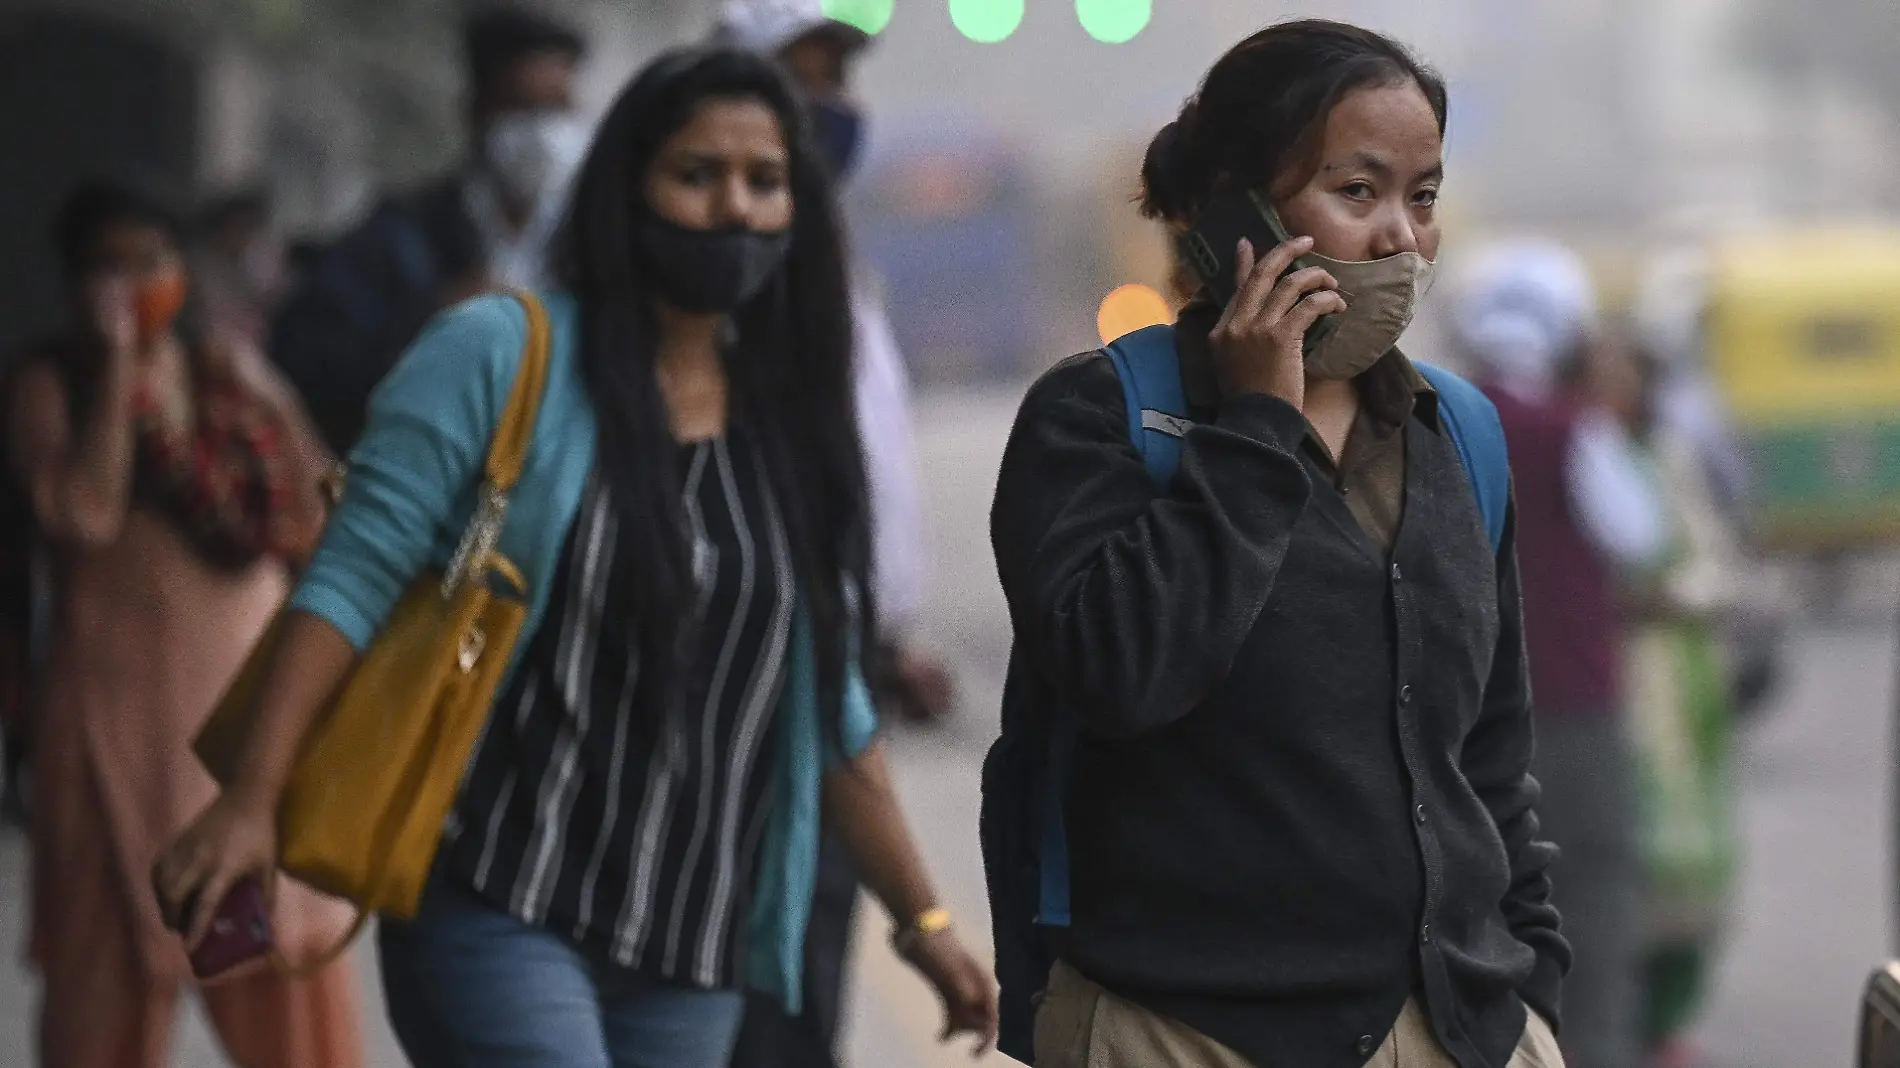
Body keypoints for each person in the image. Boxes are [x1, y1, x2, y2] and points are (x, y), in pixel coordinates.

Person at [154, 47, 998, 1068]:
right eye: (697, 175)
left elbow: (827, 708)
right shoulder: (499, 355)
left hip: (694, 947)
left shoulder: (794, 420)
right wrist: (250, 797)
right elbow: (354, 572)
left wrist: (928, 927)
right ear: (625, 190)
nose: (734, 208)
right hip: (500, 899)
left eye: (764, 182)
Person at [988, 19, 1568, 1068]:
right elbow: (1122, 673)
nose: (1399, 235)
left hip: (1454, 1029)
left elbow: (1488, 758)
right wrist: (1257, 428)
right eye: (1356, 193)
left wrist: (1532, 993)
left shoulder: (1457, 435)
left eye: (1422, 196)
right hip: (1183, 1029)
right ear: (1232, 213)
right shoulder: (1096, 421)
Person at [8, 181, 359, 1068]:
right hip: (111, 740)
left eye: (152, 261)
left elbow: (319, 520)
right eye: (110, 266)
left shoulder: (223, 381)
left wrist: (274, 396)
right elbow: (83, 514)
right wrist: (122, 366)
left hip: (241, 740)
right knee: (104, 1001)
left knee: (278, 978)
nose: (135, 282)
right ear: (77, 280)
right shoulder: (54, 384)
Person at [711, 1, 953, 1064]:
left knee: (806, 971)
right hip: (745, 658)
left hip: (837, 653)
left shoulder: (824, 249)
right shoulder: (716, 258)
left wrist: (885, 638)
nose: (834, 105)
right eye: (808, 74)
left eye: (840, 74)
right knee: (757, 975)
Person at [1458, 242, 1669, 1068]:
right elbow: (1639, 534)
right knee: (1596, 902)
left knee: (1487, 913)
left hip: (1466, 716)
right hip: (1576, 711)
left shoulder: (1438, 420)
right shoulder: (1572, 430)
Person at [270, 5, 589, 454]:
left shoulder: (587, 244)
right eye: (522, 108)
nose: (543, 134)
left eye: (558, 109)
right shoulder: (401, 237)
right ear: (479, 115)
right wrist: (426, 324)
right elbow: (303, 361)